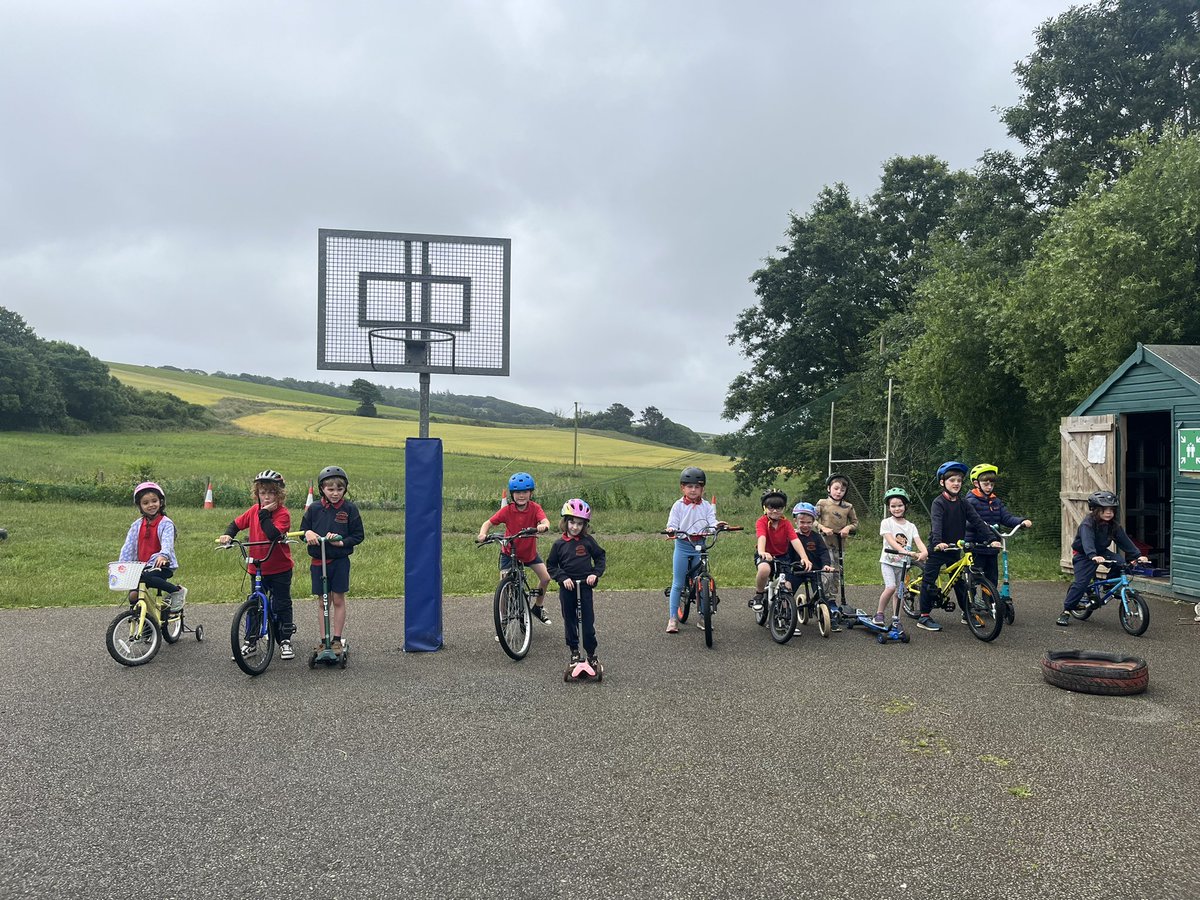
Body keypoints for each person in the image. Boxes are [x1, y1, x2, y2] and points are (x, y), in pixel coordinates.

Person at [218, 470, 296, 659]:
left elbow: (273, 534)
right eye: (262, 492)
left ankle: (284, 640)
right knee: (255, 603)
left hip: (279, 568)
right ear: (257, 494)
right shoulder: (253, 511)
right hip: (257, 567)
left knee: (281, 603)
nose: (267, 496)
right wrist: (229, 535)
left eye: (271, 492)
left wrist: (264, 514)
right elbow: (236, 524)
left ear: (279, 494)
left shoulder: (282, 514)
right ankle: (250, 641)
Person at [916, 461, 1001, 632]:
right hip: (939, 548)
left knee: (960, 583)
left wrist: (992, 538)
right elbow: (937, 523)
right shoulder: (938, 503)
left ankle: (967, 613)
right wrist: (938, 542)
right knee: (929, 579)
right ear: (942, 482)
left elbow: (977, 521)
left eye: (959, 481)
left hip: (955, 547)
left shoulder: (963, 503)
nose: (956, 484)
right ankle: (924, 616)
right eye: (952, 480)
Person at [1057, 490, 1150, 626]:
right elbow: (1087, 541)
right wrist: (1093, 556)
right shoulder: (1087, 524)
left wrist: (1137, 556)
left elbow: (1125, 541)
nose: (1108, 513)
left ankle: (1108, 585)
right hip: (1084, 554)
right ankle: (1066, 611)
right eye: (1104, 510)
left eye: (1111, 510)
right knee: (1081, 583)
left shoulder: (1114, 526)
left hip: (1100, 552)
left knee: (1120, 562)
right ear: (1095, 510)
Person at [300, 465, 365, 654]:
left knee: (338, 599)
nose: (335, 493)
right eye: (331, 489)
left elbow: (358, 535)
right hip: (319, 562)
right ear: (322, 489)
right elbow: (302, 533)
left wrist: (342, 543)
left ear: (345, 489)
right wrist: (308, 533)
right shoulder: (314, 509)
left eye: (339, 489)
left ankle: (336, 639)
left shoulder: (349, 509)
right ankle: (324, 640)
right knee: (323, 601)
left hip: (339, 561)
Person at [477, 472, 552, 624]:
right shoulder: (507, 510)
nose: (521, 495)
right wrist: (482, 534)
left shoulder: (535, 508)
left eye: (525, 492)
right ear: (512, 494)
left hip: (529, 554)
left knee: (546, 578)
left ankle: (538, 607)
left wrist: (543, 526)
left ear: (531, 493)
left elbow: (545, 521)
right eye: (517, 492)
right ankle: (504, 621)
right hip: (509, 554)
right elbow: (488, 523)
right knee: (503, 589)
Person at [546, 499, 606, 669]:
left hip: (585, 586)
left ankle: (591, 653)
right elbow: (551, 565)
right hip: (568, 587)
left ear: (584, 525)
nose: (575, 527)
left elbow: (600, 557)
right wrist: (562, 577)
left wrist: (595, 573)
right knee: (570, 620)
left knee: (587, 622)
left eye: (579, 524)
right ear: (565, 522)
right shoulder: (559, 544)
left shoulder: (588, 541)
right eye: (572, 522)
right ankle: (574, 651)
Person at [664, 466, 725, 633]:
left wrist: (717, 526)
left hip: (701, 545)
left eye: (697, 487)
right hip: (683, 545)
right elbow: (673, 523)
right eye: (689, 486)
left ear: (702, 489)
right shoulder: (678, 506)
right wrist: (671, 530)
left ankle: (704, 617)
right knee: (677, 583)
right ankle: (673, 619)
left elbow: (712, 522)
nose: (693, 490)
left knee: (701, 580)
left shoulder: (706, 506)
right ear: (682, 488)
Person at [118, 481, 187, 612]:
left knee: (148, 579)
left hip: (162, 565)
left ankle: (177, 591)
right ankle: (142, 624)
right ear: (140, 506)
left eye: (154, 501)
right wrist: (121, 565)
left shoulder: (166, 524)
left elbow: (167, 543)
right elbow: (128, 547)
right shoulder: (136, 525)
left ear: (160, 502)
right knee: (133, 596)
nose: (151, 505)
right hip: (141, 567)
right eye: (145, 503)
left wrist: (163, 555)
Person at [964, 464, 1032, 590]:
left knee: (991, 580)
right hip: (976, 547)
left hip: (992, 547)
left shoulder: (995, 501)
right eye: (986, 484)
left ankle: (991, 605)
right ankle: (969, 606)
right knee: (973, 579)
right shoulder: (970, 501)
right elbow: (968, 522)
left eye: (992, 484)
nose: (989, 487)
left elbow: (1006, 518)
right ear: (976, 483)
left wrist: (1021, 522)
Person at [749, 490, 813, 612]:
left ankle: (785, 617)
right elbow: (761, 537)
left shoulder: (786, 523)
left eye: (779, 508)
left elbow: (795, 540)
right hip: (766, 555)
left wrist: (804, 557)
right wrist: (762, 551)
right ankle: (759, 594)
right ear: (765, 508)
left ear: (783, 509)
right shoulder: (761, 521)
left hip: (783, 556)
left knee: (787, 586)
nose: (775, 511)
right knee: (764, 570)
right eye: (771, 507)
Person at [874, 488, 927, 626]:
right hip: (888, 562)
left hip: (903, 565)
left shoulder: (911, 526)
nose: (897, 508)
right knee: (891, 587)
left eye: (900, 505)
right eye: (893, 506)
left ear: (905, 506)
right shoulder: (886, 523)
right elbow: (891, 540)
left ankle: (896, 619)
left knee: (900, 592)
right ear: (889, 508)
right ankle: (879, 614)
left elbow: (918, 541)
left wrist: (924, 552)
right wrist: (905, 551)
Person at [791, 501, 835, 633]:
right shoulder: (793, 537)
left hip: (815, 570)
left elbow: (823, 552)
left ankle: (828, 618)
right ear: (796, 521)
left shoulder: (816, 537)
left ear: (813, 522)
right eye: (802, 522)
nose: (805, 525)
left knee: (821, 593)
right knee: (788, 590)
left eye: (809, 522)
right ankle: (787, 612)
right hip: (797, 571)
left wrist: (826, 565)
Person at [816, 473, 858, 602]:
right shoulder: (822, 503)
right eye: (836, 488)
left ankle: (832, 598)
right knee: (826, 570)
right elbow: (811, 521)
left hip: (839, 544)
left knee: (836, 573)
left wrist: (848, 528)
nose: (839, 492)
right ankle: (822, 595)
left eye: (842, 490)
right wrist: (823, 528)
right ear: (829, 488)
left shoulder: (848, 507)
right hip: (823, 544)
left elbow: (855, 523)